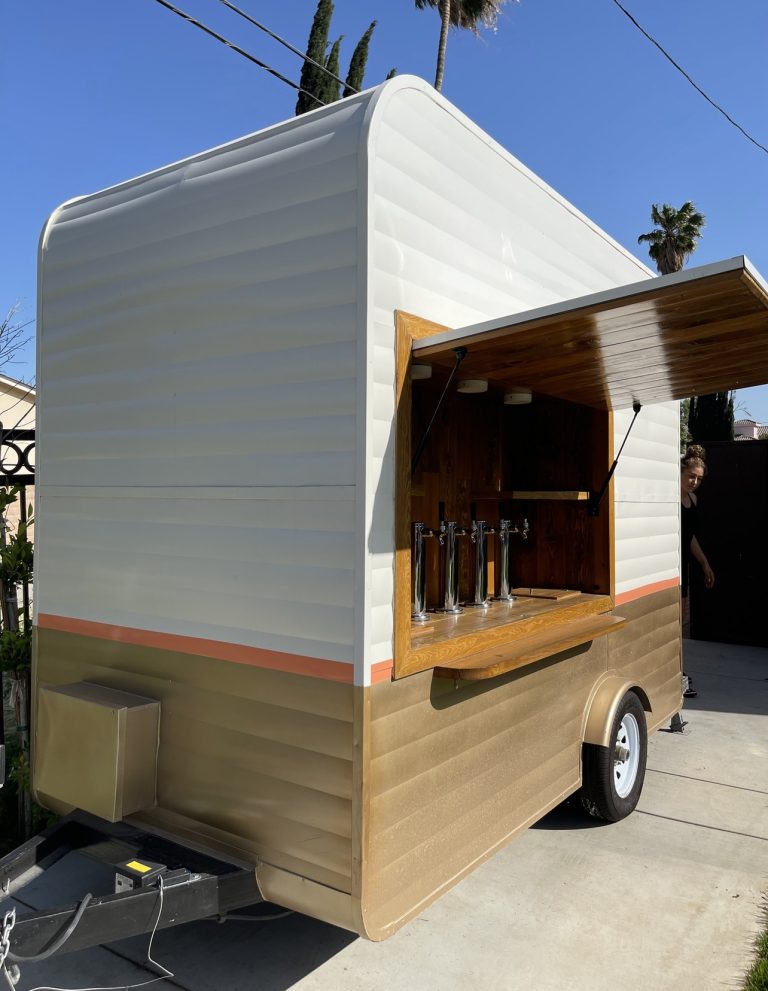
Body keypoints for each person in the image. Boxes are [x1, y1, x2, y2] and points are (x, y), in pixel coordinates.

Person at [680, 444, 715, 697]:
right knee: (670, 623)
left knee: (678, 624)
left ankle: (679, 674)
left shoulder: (693, 500)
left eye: (699, 479)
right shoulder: (670, 496)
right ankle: (676, 675)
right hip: (668, 565)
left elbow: (689, 537)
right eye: (691, 476)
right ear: (681, 472)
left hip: (685, 566)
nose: (694, 482)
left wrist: (704, 564)